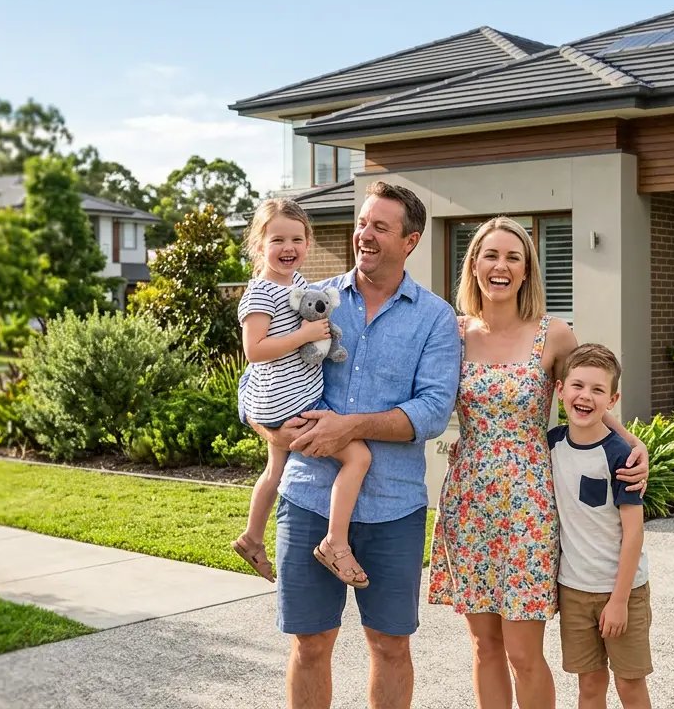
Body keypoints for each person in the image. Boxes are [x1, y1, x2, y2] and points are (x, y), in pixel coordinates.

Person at [250, 181, 460, 709]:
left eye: (380, 227)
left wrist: (351, 427)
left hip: (394, 507)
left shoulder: (434, 318)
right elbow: (255, 380)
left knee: (390, 646)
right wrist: (271, 429)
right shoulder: (308, 299)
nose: (364, 235)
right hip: (308, 499)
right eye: (362, 223)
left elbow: (433, 412)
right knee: (311, 643)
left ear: (409, 241)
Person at [427, 216, 649, 709]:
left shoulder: (554, 333)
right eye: (491, 255)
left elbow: (588, 393)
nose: (501, 266)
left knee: (524, 653)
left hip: (528, 506)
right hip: (468, 503)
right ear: (474, 265)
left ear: (527, 271)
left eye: (513, 258)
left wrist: (634, 445)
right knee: (484, 646)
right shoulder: (454, 332)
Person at [231, 198, 373, 588]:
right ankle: (335, 542)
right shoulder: (260, 293)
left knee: (275, 470)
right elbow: (254, 350)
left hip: (282, 397)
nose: (288, 247)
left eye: (297, 238)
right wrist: (305, 336)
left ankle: (252, 538)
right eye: (278, 239)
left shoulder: (296, 285)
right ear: (259, 245)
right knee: (358, 456)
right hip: (292, 403)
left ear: (309, 243)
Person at [549, 344, 652, 709]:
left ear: (613, 399)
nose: (585, 397)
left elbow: (634, 533)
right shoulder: (551, 446)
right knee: (590, 686)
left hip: (622, 589)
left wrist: (620, 600)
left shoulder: (621, 457)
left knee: (629, 684)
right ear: (560, 390)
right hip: (574, 590)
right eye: (577, 386)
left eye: (598, 390)